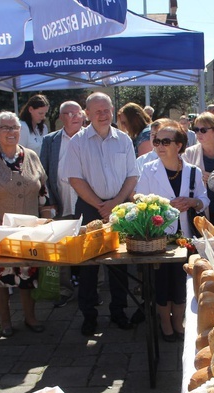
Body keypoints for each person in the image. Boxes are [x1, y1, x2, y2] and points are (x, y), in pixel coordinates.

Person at [65, 93, 139, 336]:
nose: (102, 114)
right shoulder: (77, 142)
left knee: (119, 264)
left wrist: (115, 202)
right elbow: (75, 179)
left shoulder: (124, 140)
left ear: (113, 110)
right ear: (86, 114)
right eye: (96, 111)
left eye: (106, 109)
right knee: (88, 266)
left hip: (118, 206)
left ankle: (119, 311)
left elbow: (132, 175)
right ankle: (89, 316)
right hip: (89, 208)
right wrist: (100, 205)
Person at [0, 112, 47, 338]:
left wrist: (47, 216)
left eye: (15, 128)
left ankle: (30, 317)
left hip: (29, 231)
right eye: (5, 128)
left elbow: (43, 192)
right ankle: (5, 322)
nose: (11, 132)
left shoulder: (31, 156)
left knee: (27, 274)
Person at [135, 122, 208, 342]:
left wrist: (192, 201)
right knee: (161, 283)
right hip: (158, 239)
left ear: (179, 145)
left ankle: (178, 323)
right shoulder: (149, 170)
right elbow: (139, 200)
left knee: (180, 283)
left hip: (186, 239)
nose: (159, 146)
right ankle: (165, 324)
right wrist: (166, 206)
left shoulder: (193, 172)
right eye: (156, 141)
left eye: (165, 142)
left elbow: (204, 201)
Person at [40, 101, 84, 308]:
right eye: (70, 113)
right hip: (61, 202)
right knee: (61, 247)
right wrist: (48, 202)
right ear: (61, 117)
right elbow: (44, 173)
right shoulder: (50, 141)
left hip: (86, 201)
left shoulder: (90, 138)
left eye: (78, 113)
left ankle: (91, 289)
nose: (75, 116)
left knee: (88, 244)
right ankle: (64, 289)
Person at [181, 112, 214, 226]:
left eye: (203, 130)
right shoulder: (189, 153)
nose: (199, 133)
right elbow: (182, 179)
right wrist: (197, 177)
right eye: (196, 129)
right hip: (201, 209)